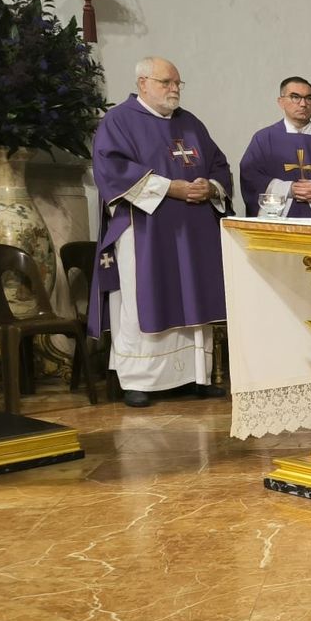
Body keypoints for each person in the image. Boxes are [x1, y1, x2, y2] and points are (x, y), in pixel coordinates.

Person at [88, 57, 233, 408]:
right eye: (166, 82)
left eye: (178, 84)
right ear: (142, 83)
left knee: (192, 294)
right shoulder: (119, 121)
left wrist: (210, 187)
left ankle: (194, 376)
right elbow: (113, 170)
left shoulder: (191, 123)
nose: (174, 89)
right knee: (145, 296)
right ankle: (139, 380)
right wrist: (173, 189)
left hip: (195, 231)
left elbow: (219, 164)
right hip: (146, 229)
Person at [238, 76, 311, 217]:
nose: (303, 104)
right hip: (277, 228)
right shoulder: (264, 139)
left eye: (309, 98)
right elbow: (250, 177)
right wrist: (288, 189)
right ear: (281, 102)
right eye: (295, 97)